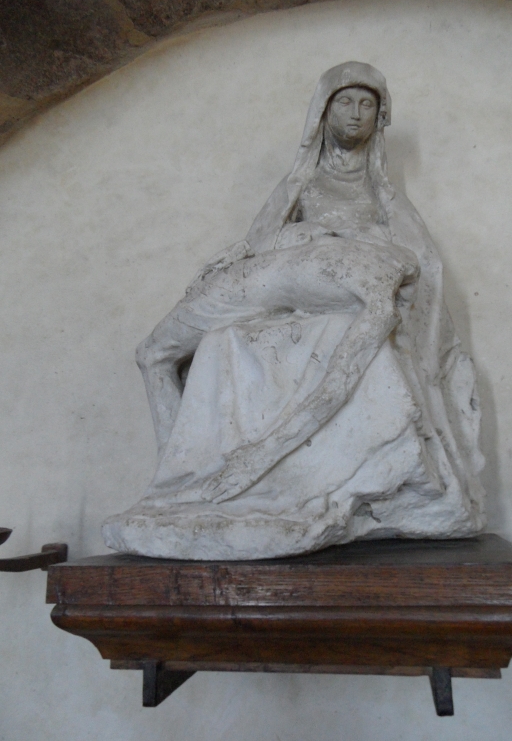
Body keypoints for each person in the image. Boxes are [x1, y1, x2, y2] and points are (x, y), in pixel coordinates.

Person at [103, 62, 485, 560]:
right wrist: (305, 235)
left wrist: (262, 455)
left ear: (380, 118)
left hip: (315, 305)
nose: (356, 113)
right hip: (277, 297)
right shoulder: (302, 186)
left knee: (176, 351)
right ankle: (177, 481)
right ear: (323, 112)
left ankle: (186, 485)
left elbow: (421, 265)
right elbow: (259, 246)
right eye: (345, 102)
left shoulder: (384, 209)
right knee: (192, 347)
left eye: (367, 105)